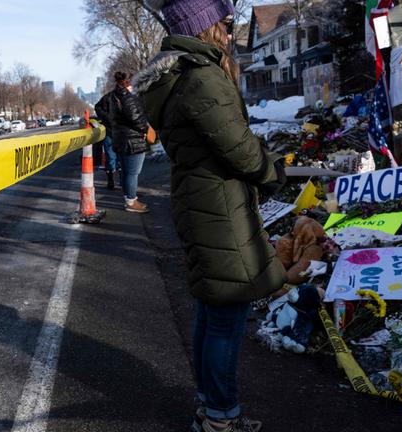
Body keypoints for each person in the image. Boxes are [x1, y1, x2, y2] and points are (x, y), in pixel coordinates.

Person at [134, 0, 287, 431]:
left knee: (212, 308)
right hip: (219, 206)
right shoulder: (202, 77)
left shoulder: (177, 75)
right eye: (224, 22)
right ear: (205, 27)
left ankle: (210, 407)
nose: (229, 29)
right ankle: (220, 417)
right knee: (226, 317)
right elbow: (238, 148)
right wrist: (272, 171)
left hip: (199, 200)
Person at [109, 71, 150, 213]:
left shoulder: (115, 96)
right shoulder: (127, 97)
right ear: (128, 83)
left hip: (122, 139)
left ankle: (130, 199)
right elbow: (136, 118)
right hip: (132, 140)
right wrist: (147, 129)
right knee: (132, 173)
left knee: (127, 172)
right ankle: (131, 202)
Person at [95, 89, 120, 190]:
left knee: (122, 157)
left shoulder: (128, 97)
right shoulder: (108, 97)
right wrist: (108, 118)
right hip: (109, 132)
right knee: (110, 157)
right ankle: (111, 181)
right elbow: (97, 107)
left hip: (122, 132)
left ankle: (123, 181)